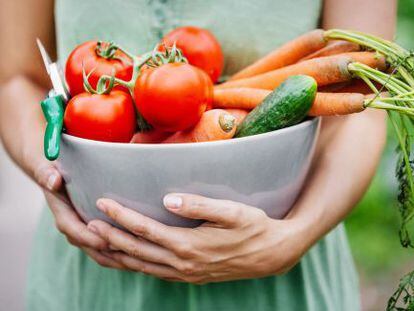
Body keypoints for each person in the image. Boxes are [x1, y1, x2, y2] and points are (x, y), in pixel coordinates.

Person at [0, 0, 396, 310]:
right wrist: (50, 172)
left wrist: (295, 236)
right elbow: (15, 78)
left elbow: (362, 112)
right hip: (93, 263)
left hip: (279, 268)